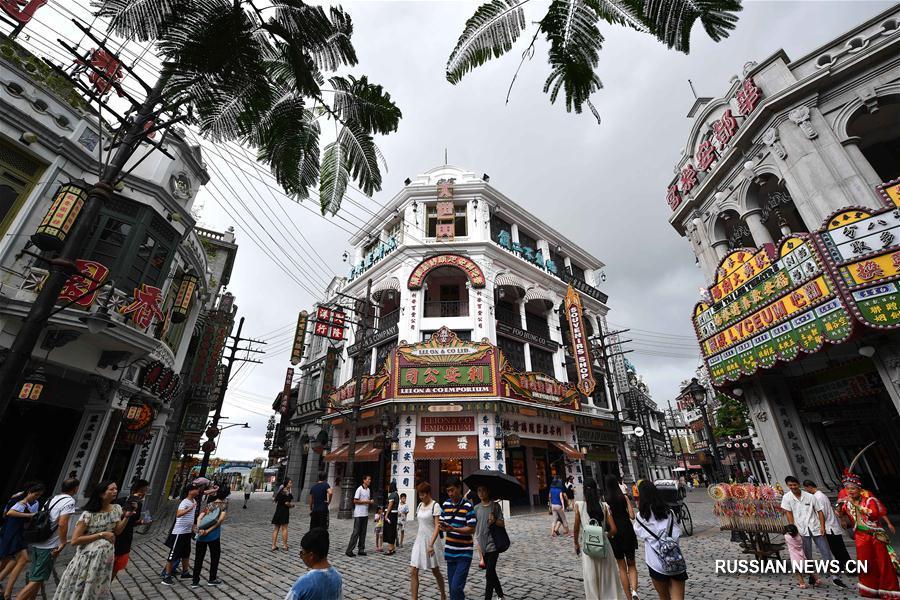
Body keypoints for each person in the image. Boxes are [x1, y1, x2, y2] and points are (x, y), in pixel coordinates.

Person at [53, 480, 132, 600]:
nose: (115, 491)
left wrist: (126, 517)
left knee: (96, 589)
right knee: (81, 590)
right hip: (86, 561)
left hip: (104, 561)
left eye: (116, 488)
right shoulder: (88, 514)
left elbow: (117, 531)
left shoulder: (116, 509)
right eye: (111, 489)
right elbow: (75, 540)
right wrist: (101, 535)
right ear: (101, 493)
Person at [837, 470, 900, 599]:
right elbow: (840, 514)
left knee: (882, 562)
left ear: (859, 489)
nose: (850, 491)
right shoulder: (847, 502)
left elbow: (874, 514)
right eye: (848, 489)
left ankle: (888, 591)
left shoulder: (869, 499)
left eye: (853, 488)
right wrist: (839, 506)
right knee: (866, 563)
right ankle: (869, 590)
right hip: (860, 536)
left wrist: (856, 505)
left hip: (875, 535)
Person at [17, 479, 80, 600]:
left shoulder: (52, 498)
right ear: (75, 488)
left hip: (38, 541)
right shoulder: (69, 501)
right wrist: (62, 542)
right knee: (38, 579)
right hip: (49, 545)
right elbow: (62, 523)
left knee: (35, 577)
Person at [780, 475, 838, 587]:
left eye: (795, 484)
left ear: (799, 484)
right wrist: (793, 528)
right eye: (790, 485)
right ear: (788, 486)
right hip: (801, 529)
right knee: (807, 555)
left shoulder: (810, 496)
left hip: (815, 527)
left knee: (825, 551)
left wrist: (822, 527)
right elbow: (789, 513)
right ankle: (813, 576)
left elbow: (819, 511)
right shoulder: (787, 497)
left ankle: (834, 575)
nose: (793, 487)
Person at [633, 481, 687, 600]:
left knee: (664, 597)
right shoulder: (669, 512)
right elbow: (677, 534)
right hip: (675, 560)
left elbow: (638, 532)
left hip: (655, 563)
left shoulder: (641, 517)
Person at [574, 478, 626, 599]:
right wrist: (604, 535)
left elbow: (576, 528)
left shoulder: (579, 506)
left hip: (588, 546)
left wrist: (576, 543)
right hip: (604, 545)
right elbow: (613, 529)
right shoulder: (604, 506)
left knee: (591, 578)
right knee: (608, 577)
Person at [0, 482, 44, 600]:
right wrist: (28, 515)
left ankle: (7, 593)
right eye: (35, 494)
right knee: (13, 559)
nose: (37, 497)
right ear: (29, 492)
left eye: (39, 496)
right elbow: (8, 513)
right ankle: (6, 593)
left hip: (18, 532)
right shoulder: (20, 501)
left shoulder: (33, 502)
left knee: (15, 559)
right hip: (12, 532)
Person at [804, 479, 850, 587]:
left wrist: (821, 527)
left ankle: (850, 568)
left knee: (839, 549)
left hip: (830, 528)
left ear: (809, 487)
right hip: (831, 526)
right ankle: (845, 567)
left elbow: (822, 514)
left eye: (806, 488)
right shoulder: (821, 495)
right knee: (838, 549)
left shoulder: (818, 497)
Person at [604, 474, 640, 600]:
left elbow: (606, 520)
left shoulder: (605, 499)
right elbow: (632, 516)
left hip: (615, 534)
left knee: (622, 568)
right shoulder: (623, 497)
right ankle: (635, 591)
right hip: (627, 530)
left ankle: (629, 597)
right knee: (632, 565)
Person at [440, 477, 476, 600]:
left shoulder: (467, 506)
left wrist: (454, 529)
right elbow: (441, 523)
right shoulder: (445, 505)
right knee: (453, 589)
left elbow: (472, 529)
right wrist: (443, 527)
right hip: (450, 553)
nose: (450, 494)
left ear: (459, 488)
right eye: (448, 491)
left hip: (464, 553)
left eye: (453, 490)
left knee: (456, 588)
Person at [410, 482, 446, 600]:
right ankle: (414, 598)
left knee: (435, 570)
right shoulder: (420, 505)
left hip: (432, 541)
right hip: (419, 540)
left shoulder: (435, 505)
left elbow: (437, 526)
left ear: (428, 493)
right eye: (420, 495)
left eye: (423, 495)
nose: (421, 497)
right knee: (414, 569)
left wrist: (430, 544)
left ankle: (443, 594)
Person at [285, 528, 343, 600]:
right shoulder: (337, 577)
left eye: (302, 553)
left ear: (311, 555)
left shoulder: (303, 583)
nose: (301, 557)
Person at [162, 482, 201, 585]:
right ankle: (166, 575)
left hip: (187, 531)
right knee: (173, 554)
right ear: (190, 491)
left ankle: (185, 572)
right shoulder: (185, 502)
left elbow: (191, 516)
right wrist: (189, 508)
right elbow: (178, 514)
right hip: (179, 532)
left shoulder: (194, 501)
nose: (198, 491)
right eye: (196, 489)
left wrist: (193, 526)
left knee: (186, 553)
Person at [111, 478, 149, 581]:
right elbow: (114, 519)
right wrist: (127, 510)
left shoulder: (139, 505)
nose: (144, 493)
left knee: (117, 566)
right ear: (135, 490)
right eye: (143, 490)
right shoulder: (119, 502)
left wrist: (141, 522)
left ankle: (107, 587)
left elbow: (132, 522)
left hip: (126, 538)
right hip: (114, 537)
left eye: (146, 491)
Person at [193, 486, 228, 588]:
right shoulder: (223, 505)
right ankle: (212, 578)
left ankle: (195, 581)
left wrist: (200, 529)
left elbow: (200, 517)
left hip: (201, 535)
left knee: (198, 558)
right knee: (215, 556)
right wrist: (208, 531)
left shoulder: (210, 504)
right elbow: (220, 520)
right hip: (213, 535)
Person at [474, 485, 505, 600]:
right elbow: (474, 527)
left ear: (488, 491)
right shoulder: (476, 508)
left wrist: (495, 520)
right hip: (482, 546)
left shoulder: (495, 506)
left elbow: (502, 524)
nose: (481, 493)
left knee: (489, 573)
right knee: (492, 573)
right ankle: (501, 596)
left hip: (493, 545)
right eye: (479, 490)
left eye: (483, 490)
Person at [345, 475, 374, 557]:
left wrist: (368, 502)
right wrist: (367, 501)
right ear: (364, 480)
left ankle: (361, 549)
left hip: (365, 513)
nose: (369, 481)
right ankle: (349, 550)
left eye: (370, 479)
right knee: (356, 532)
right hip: (358, 514)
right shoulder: (359, 489)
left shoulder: (368, 490)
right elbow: (355, 500)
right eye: (368, 479)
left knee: (363, 532)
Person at [784, 524, 819, 589]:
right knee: (807, 570)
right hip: (802, 557)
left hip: (795, 558)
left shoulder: (787, 537)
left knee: (797, 572)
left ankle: (802, 583)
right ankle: (816, 579)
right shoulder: (799, 537)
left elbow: (785, 534)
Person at [272, 478, 295, 552]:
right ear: (287, 484)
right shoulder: (287, 493)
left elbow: (276, 499)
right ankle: (285, 545)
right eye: (290, 483)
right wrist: (292, 505)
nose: (291, 484)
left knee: (276, 529)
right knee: (284, 528)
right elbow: (286, 503)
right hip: (284, 511)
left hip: (278, 511)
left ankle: (273, 545)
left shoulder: (280, 491)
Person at [383, 481, 400, 555]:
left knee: (389, 530)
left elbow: (390, 505)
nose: (388, 487)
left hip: (390, 514)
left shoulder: (392, 495)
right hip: (394, 514)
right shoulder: (396, 494)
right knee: (392, 530)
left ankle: (390, 549)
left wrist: (386, 515)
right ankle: (392, 548)